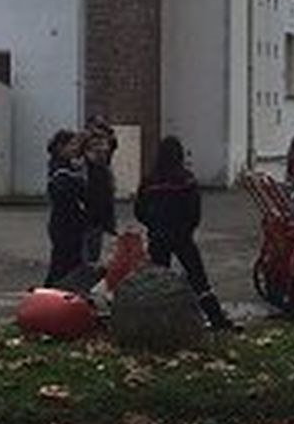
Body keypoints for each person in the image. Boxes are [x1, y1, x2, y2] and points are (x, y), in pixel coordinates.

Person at [134, 135, 233, 330]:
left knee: (159, 281)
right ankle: (217, 319)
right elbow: (194, 211)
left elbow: (139, 210)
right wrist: (187, 229)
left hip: (158, 236)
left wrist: (153, 225)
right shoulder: (186, 180)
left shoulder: (150, 180)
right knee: (198, 279)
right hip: (182, 237)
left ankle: (157, 323)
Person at [44, 129, 89, 286]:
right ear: (61, 147)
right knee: (63, 265)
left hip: (69, 223)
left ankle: (56, 293)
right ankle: (51, 296)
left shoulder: (68, 166)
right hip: (65, 224)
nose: (75, 148)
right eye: (72, 144)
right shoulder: (61, 170)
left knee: (66, 264)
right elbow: (68, 197)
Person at [82, 116, 117, 264]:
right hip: (90, 213)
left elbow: (113, 142)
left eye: (102, 146)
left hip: (104, 211)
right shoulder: (85, 165)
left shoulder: (103, 167)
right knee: (90, 250)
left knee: (103, 249)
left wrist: (104, 128)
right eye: (96, 145)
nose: (101, 149)